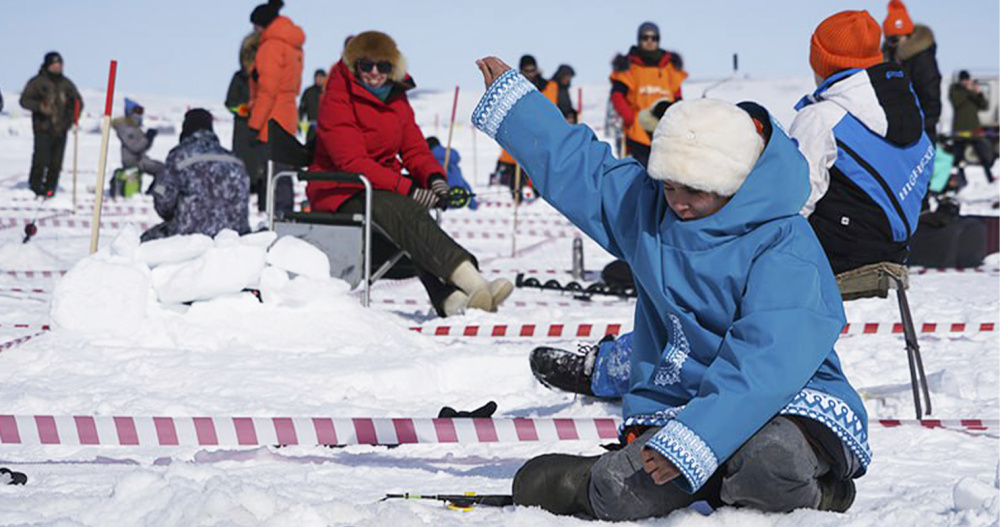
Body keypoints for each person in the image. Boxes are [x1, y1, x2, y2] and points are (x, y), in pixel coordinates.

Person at [473, 57, 869, 520]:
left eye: (694, 191)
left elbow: (767, 361)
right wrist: (518, 108)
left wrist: (697, 438)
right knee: (614, 490)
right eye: (669, 186)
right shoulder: (652, 214)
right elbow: (584, 174)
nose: (677, 202)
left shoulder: (784, 244)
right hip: (681, 403)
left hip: (786, 405)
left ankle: (824, 493)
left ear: (734, 184)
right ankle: (634, 482)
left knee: (767, 458)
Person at [536, 10, 934, 397]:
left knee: (707, 278)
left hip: (836, 253)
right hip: (890, 245)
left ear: (821, 60)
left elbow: (793, 198)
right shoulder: (903, 102)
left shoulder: (824, 118)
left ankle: (612, 368)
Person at [307, 31, 512, 316]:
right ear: (354, 65)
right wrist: (408, 188)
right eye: (366, 66)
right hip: (342, 189)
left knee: (408, 210)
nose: (374, 73)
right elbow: (351, 161)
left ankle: (450, 300)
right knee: (402, 205)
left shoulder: (395, 96)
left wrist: (434, 179)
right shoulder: (337, 96)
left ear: (394, 67)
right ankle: (474, 283)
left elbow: (414, 147)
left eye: (383, 66)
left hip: (380, 187)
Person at [142, 109, 251, 242]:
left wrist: (158, 187)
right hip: (234, 237)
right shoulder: (235, 161)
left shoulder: (179, 157)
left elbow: (164, 202)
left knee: (146, 241)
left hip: (190, 236)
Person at [247, 0, 303, 216]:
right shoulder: (293, 45)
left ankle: (276, 221)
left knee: (272, 176)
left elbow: (267, 91)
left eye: (255, 26)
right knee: (283, 175)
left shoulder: (270, 47)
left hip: (269, 121)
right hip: (288, 117)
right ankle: (285, 217)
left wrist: (254, 125)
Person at [610, 22, 687, 167]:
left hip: (666, 130)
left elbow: (677, 97)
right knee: (642, 175)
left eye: (654, 38)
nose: (650, 41)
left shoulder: (669, 67)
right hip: (639, 134)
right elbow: (617, 96)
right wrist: (631, 119)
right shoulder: (629, 66)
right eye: (645, 37)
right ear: (639, 39)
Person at [19, 51, 83, 197]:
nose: (57, 67)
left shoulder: (66, 84)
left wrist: (73, 116)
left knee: (56, 163)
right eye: (54, 64)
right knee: (41, 159)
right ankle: (35, 187)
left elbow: (78, 102)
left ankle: (50, 188)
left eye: (59, 64)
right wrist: (40, 106)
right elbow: (24, 101)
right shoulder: (37, 82)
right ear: (48, 65)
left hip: (61, 129)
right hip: (43, 127)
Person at [882, 0, 941, 142]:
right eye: (890, 40)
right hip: (897, 130)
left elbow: (931, 99)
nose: (893, 44)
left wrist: (919, 128)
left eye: (895, 39)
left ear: (907, 36)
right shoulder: (890, 58)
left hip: (920, 132)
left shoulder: (922, 60)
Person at [949, 70, 996, 186]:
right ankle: (960, 181)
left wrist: (978, 93)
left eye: (967, 80)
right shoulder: (955, 90)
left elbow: (983, 105)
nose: (966, 82)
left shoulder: (971, 92)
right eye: (964, 80)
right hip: (960, 130)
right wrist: (967, 90)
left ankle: (990, 179)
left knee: (983, 155)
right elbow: (956, 102)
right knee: (958, 158)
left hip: (974, 130)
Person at [225, 31, 260, 178]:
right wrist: (243, 109)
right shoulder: (239, 78)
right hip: (243, 132)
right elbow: (229, 103)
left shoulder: (267, 79)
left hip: (262, 133)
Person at [111, 99, 166, 183]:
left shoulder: (134, 128)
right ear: (130, 112)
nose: (140, 114)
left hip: (139, 158)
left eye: (141, 111)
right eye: (137, 111)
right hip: (133, 161)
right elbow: (135, 148)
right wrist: (147, 138)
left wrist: (150, 138)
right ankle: (158, 192)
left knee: (163, 168)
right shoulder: (125, 129)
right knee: (162, 170)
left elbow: (144, 147)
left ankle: (153, 192)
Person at [427, 136, 477, 210]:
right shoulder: (451, 162)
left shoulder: (430, 162)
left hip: (445, 199)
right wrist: (473, 204)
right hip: (460, 196)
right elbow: (464, 183)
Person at [299, 68, 327, 142]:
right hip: (312, 127)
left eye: (321, 77)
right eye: (317, 77)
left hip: (326, 128)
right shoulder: (308, 92)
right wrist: (298, 123)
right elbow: (301, 110)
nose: (319, 79)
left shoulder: (329, 92)